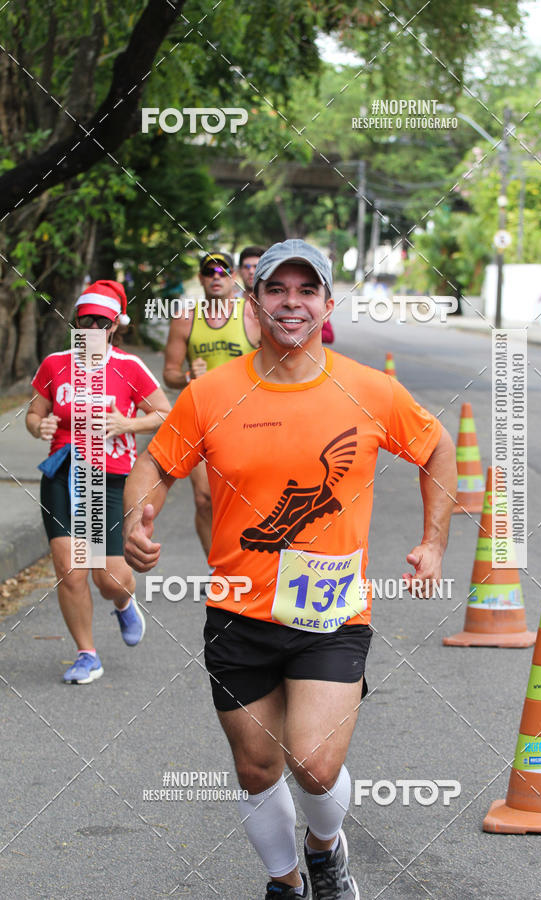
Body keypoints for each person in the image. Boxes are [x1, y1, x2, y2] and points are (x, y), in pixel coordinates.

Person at [123, 240, 457, 899]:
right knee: (256, 766)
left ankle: (326, 848)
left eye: (307, 291)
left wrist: (434, 543)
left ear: (327, 305)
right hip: (237, 611)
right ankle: (286, 882)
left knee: (312, 759)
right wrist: (137, 514)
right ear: (255, 302)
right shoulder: (210, 393)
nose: (291, 302)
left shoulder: (368, 390)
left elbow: (437, 446)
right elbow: (158, 463)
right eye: (278, 289)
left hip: (330, 612)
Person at [26, 280, 171, 685]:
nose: (90, 328)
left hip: (109, 476)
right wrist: (41, 425)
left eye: (100, 322)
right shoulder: (55, 364)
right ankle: (86, 654)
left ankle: (124, 601)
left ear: (114, 327)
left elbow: (165, 413)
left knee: (106, 576)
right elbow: (34, 415)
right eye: (84, 320)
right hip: (61, 472)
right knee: (70, 569)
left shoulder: (128, 367)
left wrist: (128, 422)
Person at [162, 251, 260, 558]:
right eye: (209, 272)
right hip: (202, 419)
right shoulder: (186, 319)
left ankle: (248, 561)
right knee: (205, 498)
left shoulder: (253, 315)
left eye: (222, 272)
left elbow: (279, 363)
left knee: (248, 497)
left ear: (233, 277)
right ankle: (216, 566)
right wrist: (189, 376)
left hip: (249, 420)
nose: (216, 277)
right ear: (202, 279)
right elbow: (170, 374)